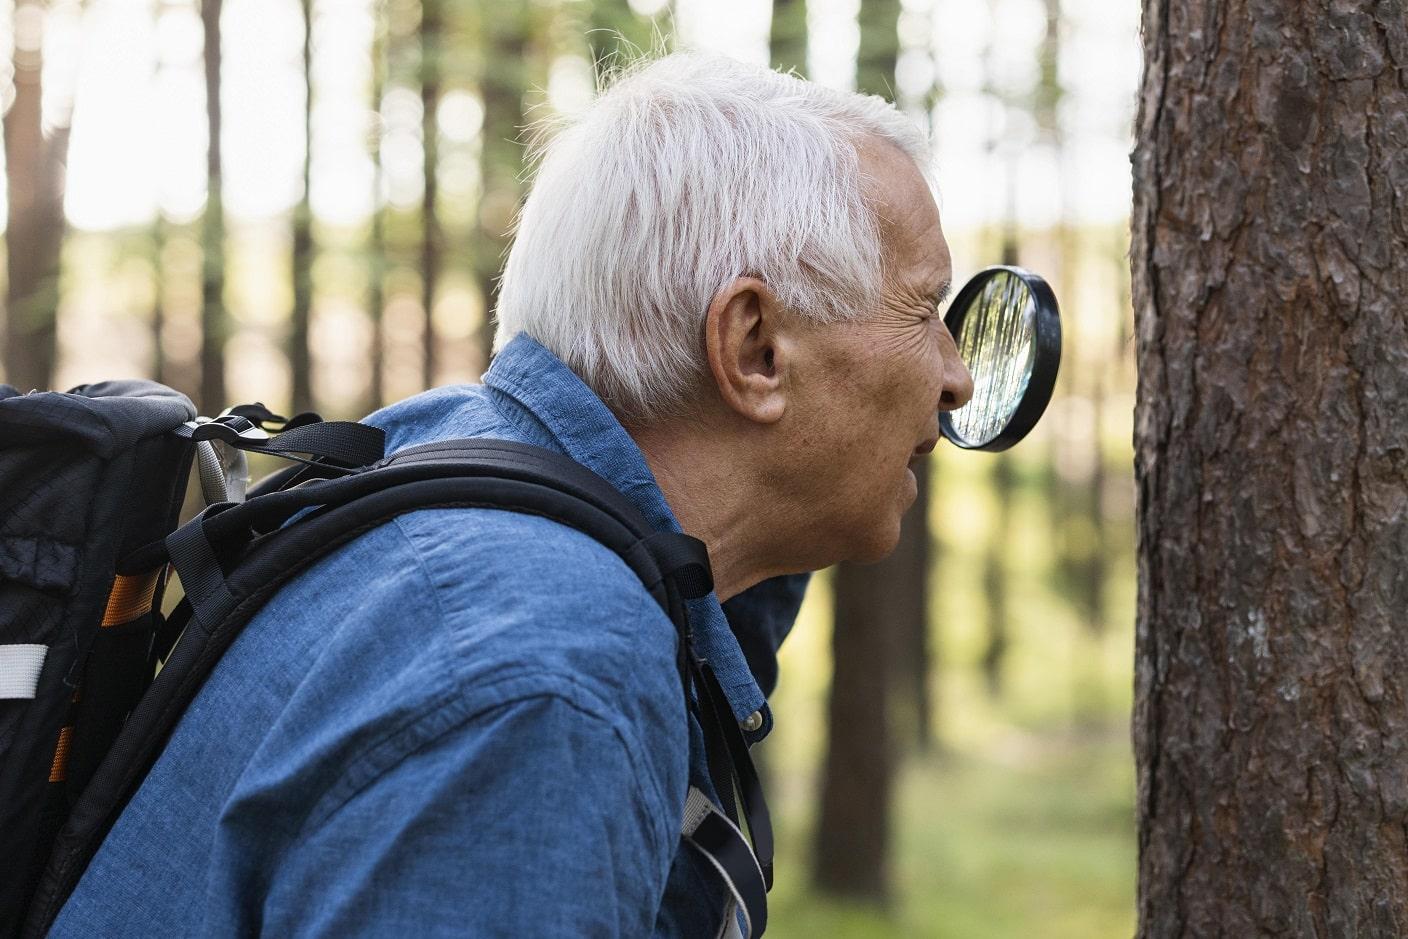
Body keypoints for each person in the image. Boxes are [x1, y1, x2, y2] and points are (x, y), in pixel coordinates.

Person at [50, 52, 973, 937]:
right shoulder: (544, 678)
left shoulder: (441, 451)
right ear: (756, 347)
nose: (957, 376)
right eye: (923, 309)